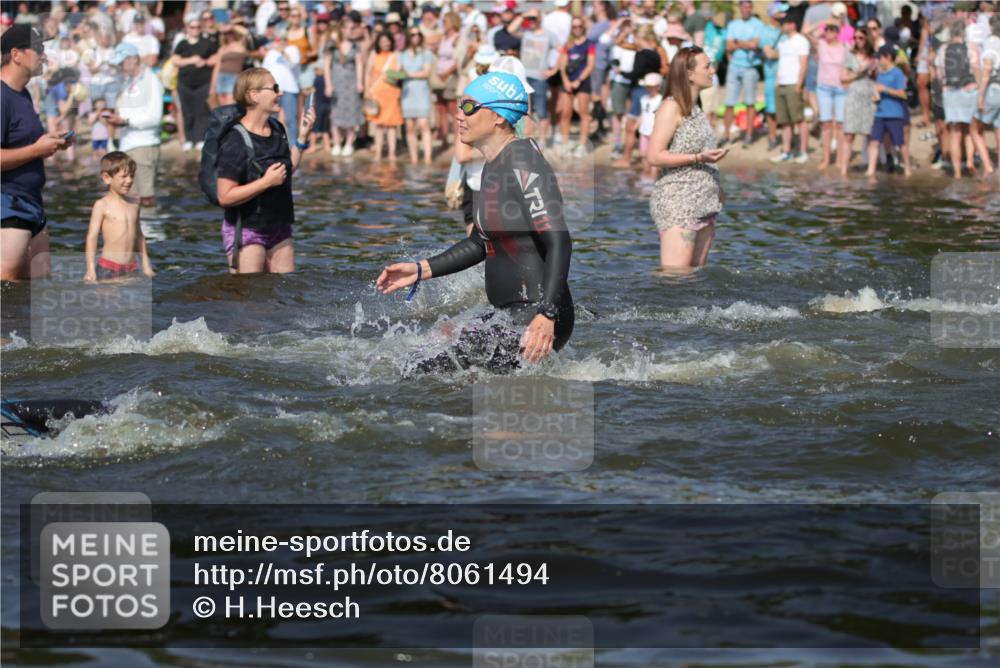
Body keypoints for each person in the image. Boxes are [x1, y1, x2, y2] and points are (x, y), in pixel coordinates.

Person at [377, 72, 572, 373]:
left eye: (469, 107)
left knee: (424, 371)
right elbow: (481, 243)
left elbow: (558, 239)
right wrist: (420, 270)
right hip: (510, 313)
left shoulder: (522, 159)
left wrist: (547, 314)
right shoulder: (494, 166)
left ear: (497, 116)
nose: (458, 115)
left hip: (535, 313)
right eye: (459, 106)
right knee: (422, 356)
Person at [216, 68, 315, 274]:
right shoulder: (234, 140)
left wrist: (303, 138)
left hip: (280, 227)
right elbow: (224, 196)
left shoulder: (277, 128)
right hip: (247, 230)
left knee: (284, 295)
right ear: (254, 95)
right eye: (275, 88)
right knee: (252, 298)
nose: (281, 93)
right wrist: (266, 182)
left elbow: (286, 169)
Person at [647, 46, 728, 270]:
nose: (713, 70)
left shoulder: (696, 110)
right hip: (678, 204)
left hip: (705, 205)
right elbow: (654, 155)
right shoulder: (671, 107)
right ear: (689, 74)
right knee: (676, 282)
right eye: (707, 66)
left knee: (694, 282)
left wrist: (717, 189)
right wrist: (698, 157)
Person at [1, 23, 69, 281]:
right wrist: (36, 149)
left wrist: (47, 143)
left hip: (32, 202)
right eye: (38, 48)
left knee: (39, 288)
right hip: (8, 204)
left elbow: (21, 146)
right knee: (7, 295)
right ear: (16, 54)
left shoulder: (24, 94)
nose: (44, 55)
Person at [104, 42, 163, 209]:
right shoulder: (130, 80)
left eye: (122, 62)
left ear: (134, 59)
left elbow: (154, 117)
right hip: (128, 144)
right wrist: (116, 118)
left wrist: (125, 121)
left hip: (144, 145)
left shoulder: (151, 80)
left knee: (146, 198)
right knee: (132, 198)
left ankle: (152, 233)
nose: (120, 66)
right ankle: (137, 233)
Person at [84, 152, 154, 282]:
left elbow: (139, 236)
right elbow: (92, 237)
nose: (129, 180)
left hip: (131, 267)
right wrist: (90, 269)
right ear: (107, 178)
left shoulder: (134, 204)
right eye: (124, 176)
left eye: (132, 176)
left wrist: (146, 265)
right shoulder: (102, 205)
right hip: (108, 267)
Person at [936, 20, 978, 179]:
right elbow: (976, 68)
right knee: (969, 129)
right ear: (963, 32)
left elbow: (940, 75)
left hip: (950, 92)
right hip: (969, 91)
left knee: (954, 132)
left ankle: (957, 172)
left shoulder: (943, 49)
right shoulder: (971, 47)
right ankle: (969, 160)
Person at [513, 8, 560, 145]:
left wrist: (554, 70)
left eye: (534, 18)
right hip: (524, 77)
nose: (531, 21)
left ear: (540, 19)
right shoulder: (526, 33)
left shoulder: (549, 35)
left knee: (542, 110)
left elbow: (562, 51)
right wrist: (524, 15)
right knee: (525, 110)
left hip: (539, 78)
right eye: (530, 19)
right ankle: (528, 138)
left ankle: (543, 140)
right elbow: (511, 30)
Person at [768, 15, 810, 164]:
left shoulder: (801, 41)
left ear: (793, 25)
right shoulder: (783, 41)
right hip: (781, 84)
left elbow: (804, 63)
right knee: (784, 121)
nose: (782, 26)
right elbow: (780, 60)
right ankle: (787, 151)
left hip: (793, 83)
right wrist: (777, 82)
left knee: (799, 119)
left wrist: (799, 83)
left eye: (785, 24)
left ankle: (803, 151)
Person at [172, 13, 217, 152]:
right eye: (192, 27)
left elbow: (216, 58)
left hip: (202, 82)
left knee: (202, 111)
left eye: (198, 27)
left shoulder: (207, 43)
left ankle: (200, 138)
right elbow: (175, 60)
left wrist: (204, 62)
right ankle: (189, 139)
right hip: (184, 83)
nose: (195, 30)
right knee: (187, 112)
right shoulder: (182, 44)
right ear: (188, 28)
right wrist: (192, 60)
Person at [723, 0, 764, 147]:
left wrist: (738, 42)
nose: (747, 9)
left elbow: (755, 45)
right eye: (744, 7)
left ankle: (749, 134)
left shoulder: (758, 25)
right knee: (729, 102)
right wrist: (746, 44)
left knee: (750, 102)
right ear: (740, 8)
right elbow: (728, 46)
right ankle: (726, 134)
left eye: (749, 7)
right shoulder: (733, 25)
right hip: (734, 66)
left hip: (750, 67)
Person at [808, 20, 847, 171]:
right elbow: (806, 33)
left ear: (838, 32)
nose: (829, 32)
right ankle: (826, 158)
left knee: (840, 125)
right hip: (823, 88)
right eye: (827, 30)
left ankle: (839, 158)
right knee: (826, 124)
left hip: (840, 89)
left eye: (832, 30)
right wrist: (823, 23)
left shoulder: (845, 47)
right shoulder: (821, 45)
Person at [867, 44, 911, 177]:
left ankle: (907, 168)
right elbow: (878, 89)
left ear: (887, 57)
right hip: (880, 113)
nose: (878, 60)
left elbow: (903, 94)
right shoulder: (880, 73)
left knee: (900, 143)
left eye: (880, 58)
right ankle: (870, 170)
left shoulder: (898, 73)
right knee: (874, 141)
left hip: (894, 114)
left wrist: (885, 89)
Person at [324, 16, 365, 157]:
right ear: (342, 29)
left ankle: (349, 143)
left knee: (352, 113)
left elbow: (359, 64)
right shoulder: (332, 44)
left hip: (351, 82)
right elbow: (326, 65)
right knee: (336, 114)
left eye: (353, 28)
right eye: (349, 28)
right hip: (337, 82)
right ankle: (336, 142)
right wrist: (328, 84)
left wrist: (360, 82)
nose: (351, 31)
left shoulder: (355, 45)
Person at [839, 27, 877, 176]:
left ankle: (871, 170)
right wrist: (858, 72)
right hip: (854, 95)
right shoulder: (850, 55)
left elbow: (878, 78)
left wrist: (873, 70)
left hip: (869, 95)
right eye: (855, 38)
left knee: (870, 134)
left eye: (861, 38)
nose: (858, 41)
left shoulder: (874, 56)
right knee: (849, 134)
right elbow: (843, 77)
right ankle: (844, 170)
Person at [556, 17, 595, 155]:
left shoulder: (589, 44)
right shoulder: (568, 44)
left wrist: (579, 80)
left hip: (582, 81)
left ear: (583, 27)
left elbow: (590, 65)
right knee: (565, 113)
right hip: (568, 80)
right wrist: (566, 80)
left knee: (584, 113)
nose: (577, 29)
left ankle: (582, 145)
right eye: (574, 26)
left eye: (579, 26)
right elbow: (562, 65)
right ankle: (565, 143)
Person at [365, 31, 403, 161]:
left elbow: (400, 74)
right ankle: (378, 153)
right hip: (377, 93)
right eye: (382, 41)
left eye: (387, 41)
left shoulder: (396, 55)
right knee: (379, 125)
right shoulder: (374, 55)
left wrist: (391, 74)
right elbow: (368, 73)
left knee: (392, 125)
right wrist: (367, 90)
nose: (385, 44)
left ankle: (392, 153)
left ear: (391, 42)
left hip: (392, 92)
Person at [263, 27, 302, 148]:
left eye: (284, 38)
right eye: (279, 39)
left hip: (289, 89)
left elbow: (294, 62)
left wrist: (282, 52)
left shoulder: (292, 49)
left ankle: (292, 148)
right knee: (271, 120)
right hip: (273, 90)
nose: (281, 41)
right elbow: (264, 71)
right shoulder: (271, 53)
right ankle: (274, 146)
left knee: (291, 120)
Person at [400, 27, 434, 165]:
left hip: (421, 91)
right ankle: (414, 158)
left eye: (418, 34)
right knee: (409, 126)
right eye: (412, 34)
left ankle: (427, 158)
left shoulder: (426, 53)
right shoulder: (402, 54)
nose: (415, 37)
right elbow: (399, 70)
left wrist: (409, 75)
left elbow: (426, 72)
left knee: (424, 124)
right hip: (408, 92)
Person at [972, 14, 1000, 176]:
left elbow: (987, 68)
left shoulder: (991, 42)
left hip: (994, 89)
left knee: (974, 128)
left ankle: (988, 166)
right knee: (998, 127)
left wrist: (981, 94)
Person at [432, 12, 462, 147]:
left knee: (452, 110)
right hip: (439, 76)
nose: (443, 23)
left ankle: (457, 141)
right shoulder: (443, 37)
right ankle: (444, 139)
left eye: (445, 21)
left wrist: (447, 72)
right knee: (441, 108)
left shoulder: (457, 37)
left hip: (450, 76)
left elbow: (458, 60)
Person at [211, 24, 249, 107]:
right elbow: (217, 67)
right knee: (222, 106)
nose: (229, 35)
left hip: (233, 77)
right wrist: (213, 85)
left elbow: (246, 32)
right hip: (221, 77)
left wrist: (232, 26)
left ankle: (232, 120)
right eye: (226, 33)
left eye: (231, 32)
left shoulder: (240, 45)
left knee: (230, 104)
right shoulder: (222, 48)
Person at [638, 71, 663, 179]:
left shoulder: (661, 99)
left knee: (653, 156)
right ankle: (645, 172)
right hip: (644, 130)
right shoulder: (644, 98)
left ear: (658, 87)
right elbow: (643, 113)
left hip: (655, 132)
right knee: (643, 154)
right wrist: (638, 124)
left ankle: (653, 176)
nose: (649, 89)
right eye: (648, 86)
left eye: (652, 87)